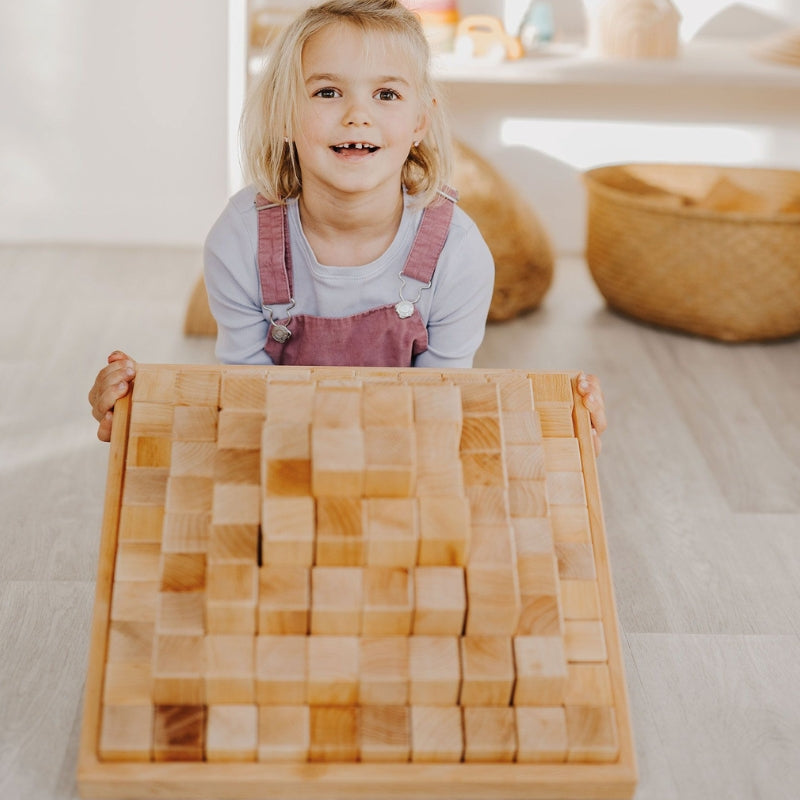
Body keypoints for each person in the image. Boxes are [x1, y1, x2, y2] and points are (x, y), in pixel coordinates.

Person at [88, 0, 606, 450]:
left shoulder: (458, 252)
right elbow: (244, 403)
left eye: (386, 95)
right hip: (279, 449)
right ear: (286, 115)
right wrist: (139, 408)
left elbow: (443, 411)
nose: (358, 114)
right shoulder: (241, 240)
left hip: (404, 452)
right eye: (328, 92)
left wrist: (561, 424)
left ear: (420, 122)